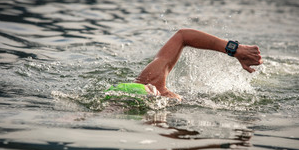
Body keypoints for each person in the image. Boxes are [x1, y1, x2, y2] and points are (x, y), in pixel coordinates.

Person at [107, 28, 263, 101]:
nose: (150, 90)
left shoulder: (151, 80)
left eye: (147, 90)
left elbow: (183, 36)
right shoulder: (155, 93)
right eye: (149, 92)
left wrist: (233, 48)